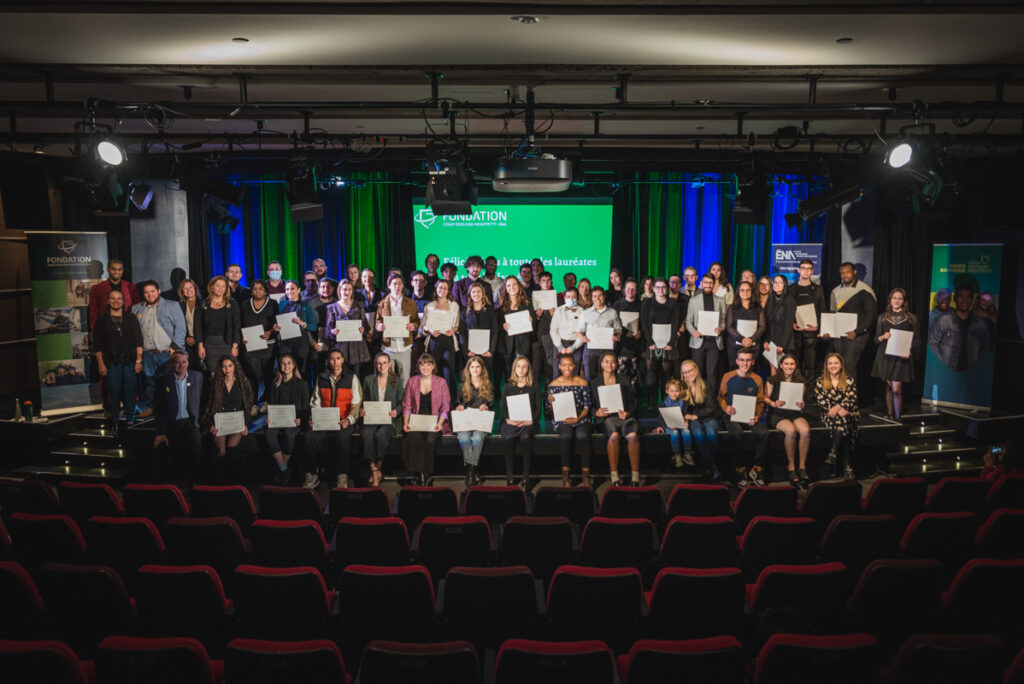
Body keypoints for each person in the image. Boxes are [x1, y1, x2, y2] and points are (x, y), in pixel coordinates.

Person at [304, 349, 361, 489]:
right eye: (332, 359)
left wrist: (349, 419)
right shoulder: (321, 377)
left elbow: (357, 403)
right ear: (328, 361)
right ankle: (311, 474)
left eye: (338, 358)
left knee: (342, 439)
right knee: (310, 438)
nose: (335, 362)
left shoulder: (352, 377)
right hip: (324, 418)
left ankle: (342, 475)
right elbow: (315, 401)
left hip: (343, 419)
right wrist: (314, 418)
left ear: (343, 360)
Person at [132, 280, 188, 418]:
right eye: (146, 292)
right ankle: (151, 408)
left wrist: (175, 347)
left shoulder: (172, 305)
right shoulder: (136, 309)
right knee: (149, 383)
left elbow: (180, 327)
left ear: (159, 291)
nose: (150, 295)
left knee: (169, 382)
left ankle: (171, 409)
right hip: (147, 353)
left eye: (152, 291)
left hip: (166, 353)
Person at [92, 289, 142, 431]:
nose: (116, 301)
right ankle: (114, 421)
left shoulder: (131, 318)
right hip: (111, 363)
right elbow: (98, 345)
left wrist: (139, 361)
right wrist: (101, 363)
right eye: (113, 298)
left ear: (123, 301)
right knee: (113, 392)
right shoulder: (101, 320)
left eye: (119, 298)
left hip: (130, 362)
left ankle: (130, 420)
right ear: (108, 301)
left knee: (130, 391)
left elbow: (139, 340)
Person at [718, 349, 769, 487]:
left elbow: (760, 402)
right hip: (731, 416)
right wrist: (725, 407)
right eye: (742, 360)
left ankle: (757, 469)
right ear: (737, 361)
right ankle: (740, 469)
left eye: (747, 360)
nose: (744, 363)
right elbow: (721, 398)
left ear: (752, 362)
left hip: (750, 417)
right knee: (737, 433)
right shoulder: (728, 376)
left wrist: (757, 416)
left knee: (764, 433)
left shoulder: (757, 379)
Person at [152, 351, 203, 482]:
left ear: (188, 363)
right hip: (172, 423)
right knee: (162, 449)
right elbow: (159, 409)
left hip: (191, 422)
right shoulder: (163, 381)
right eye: (177, 362)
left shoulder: (197, 377)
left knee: (196, 445)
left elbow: (205, 401)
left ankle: (194, 485)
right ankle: (168, 489)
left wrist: (207, 423)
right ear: (171, 364)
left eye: (184, 362)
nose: (181, 365)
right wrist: (160, 432)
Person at [201, 355, 254, 484]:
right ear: (220, 368)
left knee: (232, 446)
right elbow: (211, 406)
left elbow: (247, 407)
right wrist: (212, 424)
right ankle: (220, 481)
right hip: (221, 421)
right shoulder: (216, 383)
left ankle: (235, 481)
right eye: (224, 366)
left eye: (230, 366)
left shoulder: (243, 383)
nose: (227, 369)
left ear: (235, 366)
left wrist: (246, 424)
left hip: (237, 421)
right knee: (220, 449)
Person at [591, 352, 641, 486]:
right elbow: (590, 406)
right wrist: (596, 412)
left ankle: (635, 477)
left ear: (617, 364)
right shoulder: (594, 382)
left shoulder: (624, 379)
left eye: (613, 361)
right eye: (606, 361)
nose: (610, 364)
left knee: (633, 436)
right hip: (607, 419)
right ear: (601, 364)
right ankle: (614, 476)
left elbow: (633, 402)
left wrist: (628, 412)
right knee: (614, 436)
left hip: (624, 417)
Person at [402, 353, 451, 485]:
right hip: (416, 421)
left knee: (430, 439)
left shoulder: (441, 382)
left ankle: (425, 474)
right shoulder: (412, 381)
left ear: (433, 366)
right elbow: (407, 405)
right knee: (413, 437)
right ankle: (417, 472)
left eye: (428, 365)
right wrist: (406, 423)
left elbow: (445, 407)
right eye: (422, 365)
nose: (425, 368)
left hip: (435, 421)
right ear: (418, 367)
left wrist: (440, 423)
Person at [871, 288, 920, 422]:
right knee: (888, 387)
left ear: (903, 301)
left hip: (900, 356)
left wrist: (908, 350)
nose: (897, 301)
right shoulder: (882, 317)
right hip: (885, 355)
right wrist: (882, 336)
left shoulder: (911, 318)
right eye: (894, 298)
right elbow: (875, 339)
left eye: (900, 298)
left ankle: (898, 418)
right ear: (890, 300)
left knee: (896, 388)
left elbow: (916, 339)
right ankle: (890, 414)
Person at [547, 354, 593, 488]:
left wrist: (578, 418)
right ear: (559, 367)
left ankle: (586, 475)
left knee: (583, 436)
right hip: (562, 418)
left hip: (580, 417)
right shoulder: (553, 385)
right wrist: (551, 404)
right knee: (566, 437)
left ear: (574, 366)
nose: (567, 368)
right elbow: (549, 411)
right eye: (564, 365)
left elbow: (587, 406)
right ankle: (566, 475)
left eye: (570, 364)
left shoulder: (582, 383)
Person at [825, 262, 877, 380]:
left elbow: (871, 314)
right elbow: (833, 314)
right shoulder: (835, 291)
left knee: (849, 365)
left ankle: (850, 396)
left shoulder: (865, 290)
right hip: (839, 335)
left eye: (847, 272)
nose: (845, 275)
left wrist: (857, 331)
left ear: (855, 272)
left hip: (856, 335)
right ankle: (840, 394)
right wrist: (829, 331)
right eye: (842, 273)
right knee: (839, 364)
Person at [765, 354, 811, 487]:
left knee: (805, 431)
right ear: (781, 365)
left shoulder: (801, 381)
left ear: (795, 366)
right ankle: (791, 468)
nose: (789, 367)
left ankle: (802, 467)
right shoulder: (772, 380)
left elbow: (802, 401)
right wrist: (774, 403)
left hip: (794, 413)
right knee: (791, 431)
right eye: (786, 364)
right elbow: (766, 398)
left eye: (792, 364)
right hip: (777, 414)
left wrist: (802, 405)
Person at [264, 353, 309, 484]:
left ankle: (283, 469)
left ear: (294, 365)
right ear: (279, 366)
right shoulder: (275, 384)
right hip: (279, 420)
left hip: (294, 420)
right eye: (283, 363)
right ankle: (284, 467)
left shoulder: (302, 384)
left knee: (290, 434)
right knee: (269, 433)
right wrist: (270, 418)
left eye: (289, 363)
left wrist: (301, 419)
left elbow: (306, 406)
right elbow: (272, 405)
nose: (286, 366)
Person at [928, 281, 993, 371]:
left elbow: (986, 348)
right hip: (946, 373)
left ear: (972, 299)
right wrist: (942, 364)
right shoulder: (944, 321)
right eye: (961, 296)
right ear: (955, 299)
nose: (964, 301)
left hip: (971, 375)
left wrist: (978, 366)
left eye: (968, 297)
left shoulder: (980, 323)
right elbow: (932, 343)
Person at [360, 352, 403, 488]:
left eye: (384, 362)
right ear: (375, 365)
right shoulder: (368, 380)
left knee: (380, 435)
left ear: (389, 364)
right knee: (366, 435)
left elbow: (402, 403)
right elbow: (364, 400)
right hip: (372, 419)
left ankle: (377, 468)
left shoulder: (398, 381)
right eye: (379, 363)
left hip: (390, 420)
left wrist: (396, 411)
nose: (382, 365)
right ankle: (375, 471)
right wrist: (362, 410)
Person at [815, 352, 860, 480]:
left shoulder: (848, 380)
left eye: (836, 363)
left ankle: (833, 452)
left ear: (841, 365)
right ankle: (847, 464)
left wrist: (839, 407)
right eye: (830, 363)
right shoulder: (820, 381)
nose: (833, 366)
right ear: (826, 366)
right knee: (842, 422)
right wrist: (835, 408)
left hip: (848, 411)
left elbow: (851, 399)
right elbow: (821, 400)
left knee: (843, 418)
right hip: (829, 413)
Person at [500, 355, 542, 489]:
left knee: (525, 438)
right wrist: (508, 420)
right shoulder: (507, 386)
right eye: (518, 366)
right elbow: (503, 407)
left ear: (528, 369)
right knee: (507, 439)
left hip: (528, 423)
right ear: (514, 368)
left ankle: (525, 475)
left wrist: (531, 421)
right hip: (511, 422)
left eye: (524, 366)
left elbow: (538, 408)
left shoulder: (534, 386)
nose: (521, 369)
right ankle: (510, 475)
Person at [643, 277, 683, 409]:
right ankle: (651, 401)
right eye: (657, 287)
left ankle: (665, 401)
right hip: (651, 344)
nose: (660, 290)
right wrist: (650, 342)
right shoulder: (647, 303)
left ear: (667, 289)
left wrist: (671, 342)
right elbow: (644, 324)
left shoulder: (673, 303)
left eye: (663, 287)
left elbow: (676, 323)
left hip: (668, 344)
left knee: (666, 372)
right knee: (651, 373)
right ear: (653, 288)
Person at [454, 356, 494, 487]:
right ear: (468, 369)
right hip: (466, 419)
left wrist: (486, 406)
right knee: (464, 437)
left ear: (482, 368)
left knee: (477, 438)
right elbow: (457, 402)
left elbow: (492, 403)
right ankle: (473, 472)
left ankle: (470, 472)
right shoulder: (462, 385)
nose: (475, 369)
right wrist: (459, 407)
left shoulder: (488, 385)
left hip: (480, 420)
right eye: (472, 367)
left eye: (478, 366)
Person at [376, 273, 420, 388]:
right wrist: (379, 326)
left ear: (403, 286)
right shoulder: (382, 303)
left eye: (399, 284)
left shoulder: (410, 303)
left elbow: (416, 321)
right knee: (387, 379)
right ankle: (390, 405)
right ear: (389, 285)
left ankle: (403, 405)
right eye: (394, 284)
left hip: (404, 346)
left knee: (404, 379)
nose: (397, 286)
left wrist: (413, 326)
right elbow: (377, 321)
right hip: (388, 347)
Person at [679, 359, 721, 479]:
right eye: (685, 372)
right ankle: (712, 466)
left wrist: (695, 416)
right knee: (698, 434)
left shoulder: (705, 385)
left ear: (696, 370)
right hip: (694, 420)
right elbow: (680, 408)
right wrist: (685, 418)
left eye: (690, 370)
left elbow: (711, 408)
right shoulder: (682, 388)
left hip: (708, 416)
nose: (688, 374)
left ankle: (708, 466)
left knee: (712, 433)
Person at [686, 274, 726, 398]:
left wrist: (721, 328)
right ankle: (697, 398)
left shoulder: (721, 300)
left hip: (714, 342)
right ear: (701, 283)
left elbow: (723, 320)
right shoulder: (693, 300)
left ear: (714, 284)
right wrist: (693, 331)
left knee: (712, 373)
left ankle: (710, 399)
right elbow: (688, 321)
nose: (708, 285)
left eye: (710, 283)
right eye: (706, 282)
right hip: (698, 341)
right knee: (698, 372)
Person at [238, 280, 279, 404]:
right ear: (251, 290)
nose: (258, 291)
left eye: (261, 288)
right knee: (252, 377)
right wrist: (241, 337)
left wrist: (270, 331)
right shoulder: (244, 304)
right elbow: (239, 323)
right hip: (250, 345)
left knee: (268, 376)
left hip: (268, 346)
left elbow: (277, 323)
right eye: (255, 288)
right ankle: (253, 403)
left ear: (265, 290)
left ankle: (267, 401)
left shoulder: (273, 303)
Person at [324, 279, 371, 378]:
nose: (347, 292)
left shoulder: (359, 305)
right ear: (339, 290)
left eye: (350, 289)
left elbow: (365, 324)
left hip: (356, 347)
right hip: (340, 347)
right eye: (344, 289)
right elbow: (328, 330)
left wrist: (363, 329)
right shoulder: (332, 307)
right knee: (340, 375)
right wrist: (333, 331)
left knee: (356, 376)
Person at [195, 275, 241, 376]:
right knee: (213, 375)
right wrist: (200, 345)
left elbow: (237, 327)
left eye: (223, 286)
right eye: (217, 286)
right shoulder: (203, 304)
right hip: (209, 345)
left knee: (228, 374)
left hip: (227, 344)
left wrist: (235, 346)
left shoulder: (232, 304)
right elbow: (197, 326)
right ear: (211, 287)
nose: (220, 289)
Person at [790, 258, 826, 380]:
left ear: (812, 271)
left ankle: (809, 395)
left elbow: (822, 310)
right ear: (798, 270)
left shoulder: (818, 289)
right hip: (794, 333)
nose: (806, 271)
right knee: (793, 364)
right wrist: (791, 324)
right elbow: (786, 311)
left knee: (810, 366)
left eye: (809, 269)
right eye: (803, 268)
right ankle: (793, 393)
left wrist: (819, 327)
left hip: (811, 333)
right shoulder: (791, 289)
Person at [422, 278, 460, 392]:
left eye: (445, 288)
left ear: (448, 290)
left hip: (448, 340)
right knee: (434, 372)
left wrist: (453, 330)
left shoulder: (454, 305)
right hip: (433, 340)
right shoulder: (429, 306)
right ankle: (435, 401)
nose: (442, 290)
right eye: (440, 287)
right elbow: (423, 326)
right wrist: (430, 330)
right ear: (436, 289)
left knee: (449, 373)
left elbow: (457, 324)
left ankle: (451, 403)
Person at [578, 286, 621, 381]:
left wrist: (616, 337)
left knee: (607, 377)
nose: (597, 299)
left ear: (604, 296)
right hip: (590, 349)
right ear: (591, 297)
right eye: (595, 296)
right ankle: (592, 396)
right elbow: (579, 330)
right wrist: (582, 337)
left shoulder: (613, 313)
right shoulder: (585, 313)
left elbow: (618, 331)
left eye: (600, 296)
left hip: (607, 349)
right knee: (590, 377)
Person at [458, 281, 499, 381]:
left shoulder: (490, 310)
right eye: (473, 292)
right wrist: (466, 351)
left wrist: (491, 350)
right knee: (471, 380)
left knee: (486, 379)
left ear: (483, 293)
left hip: (486, 352)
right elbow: (462, 333)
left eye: (479, 291)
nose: (476, 294)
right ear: (469, 294)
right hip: (471, 352)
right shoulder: (464, 311)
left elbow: (495, 331)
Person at [498, 275, 535, 383]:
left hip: (522, 343)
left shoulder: (527, 303)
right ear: (505, 288)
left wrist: (531, 321)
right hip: (506, 345)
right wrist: (502, 326)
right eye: (509, 285)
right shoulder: (501, 304)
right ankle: (510, 396)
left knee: (523, 372)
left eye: (514, 284)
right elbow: (496, 323)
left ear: (519, 286)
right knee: (508, 373)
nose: (512, 287)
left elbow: (533, 325)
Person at [277, 279, 318, 377]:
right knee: (284, 371)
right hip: (285, 343)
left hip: (301, 343)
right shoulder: (281, 305)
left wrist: (302, 323)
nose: (289, 292)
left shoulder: (306, 305)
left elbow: (314, 326)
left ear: (299, 290)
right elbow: (277, 321)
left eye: (292, 289)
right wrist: (276, 326)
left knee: (302, 371)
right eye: (287, 289)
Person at [613, 278, 644, 400]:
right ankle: (621, 398)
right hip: (622, 345)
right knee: (621, 373)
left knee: (634, 373)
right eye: (628, 288)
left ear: (636, 291)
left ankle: (633, 399)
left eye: (633, 289)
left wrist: (640, 332)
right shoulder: (617, 305)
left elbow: (645, 322)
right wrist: (625, 332)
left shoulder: (641, 305)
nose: (630, 291)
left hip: (636, 344)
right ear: (624, 290)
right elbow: (614, 324)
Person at [88, 258, 139, 331]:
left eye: (119, 269)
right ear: (108, 269)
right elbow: (93, 314)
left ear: (123, 270)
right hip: (105, 329)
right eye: (113, 269)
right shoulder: (97, 288)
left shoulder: (132, 287)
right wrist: (95, 331)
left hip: (127, 328)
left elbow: (136, 310)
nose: (116, 272)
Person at [653, 379, 693, 469]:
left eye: (677, 391)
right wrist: (667, 426)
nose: (674, 394)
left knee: (686, 431)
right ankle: (677, 455)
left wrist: (687, 422)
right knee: (675, 433)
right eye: (671, 391)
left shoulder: (684, 403)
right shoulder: (663, 404)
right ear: (667, 391)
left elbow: (687, 415)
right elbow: (661, 419)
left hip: (680, 424)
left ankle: (687, 454)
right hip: (670, 426)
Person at [725, 280, 765, 368]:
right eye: (742, 290)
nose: (745, 292)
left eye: (748, 290)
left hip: (753, 347)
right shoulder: (732, 308)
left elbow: (762, 327)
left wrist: (751, 339)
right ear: (738, 292)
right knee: (734, 372)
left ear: (752, 292)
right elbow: (729, 327)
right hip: (735, 346)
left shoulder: (758, 308)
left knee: (751, 372)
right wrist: (742, 339)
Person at [763, 274, 795, 372]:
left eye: (780, 282)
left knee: (784, 372)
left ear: (785, 284)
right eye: (775, 282)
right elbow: (767, 324)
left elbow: (788, 325)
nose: (777, 284)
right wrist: (766, 341)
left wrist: (782, 344)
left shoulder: (789, 300)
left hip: (784, 342)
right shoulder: (771, 299)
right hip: (772, 341)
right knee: (773, 370)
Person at [550, 286, 584, 374]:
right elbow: (553, 330)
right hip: (560, 344)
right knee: (557, 373)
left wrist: (573, 347)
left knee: (574, 373)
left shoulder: (582, 312)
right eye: (568, 297)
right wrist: (560, 346)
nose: (571, 299)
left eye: (574, 297)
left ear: (577, 298)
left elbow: (582, 333)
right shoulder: (558, 310)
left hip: (576, 345)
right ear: (564, 298)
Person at [532, 271, 558, 383]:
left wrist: (554, 316)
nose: (546, 283)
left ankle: (549, 391)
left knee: (549, 365)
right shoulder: (534, 298)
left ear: (551, 282)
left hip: (551, 336)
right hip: (536, 337)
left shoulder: (557, 299)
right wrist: (536, 316)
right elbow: (528, 319)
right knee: (536, 367)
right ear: (539, 282)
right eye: (543, 280)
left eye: (548, 281)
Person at [309, 277, 338, 374]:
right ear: (318, 288)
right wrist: (313, 342)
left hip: (334, 343)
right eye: (323, 287)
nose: (326, 289)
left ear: (333, 289)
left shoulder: (337, 303)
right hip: (316, 343)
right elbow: (306, 327)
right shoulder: (311, 304)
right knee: (319, 371)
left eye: (328, 287)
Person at [178, 278, 203, 371]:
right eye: (185, 288)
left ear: (195, 288)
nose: (188, 290)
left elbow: (207, 325)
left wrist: (197, 340)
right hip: (186, 343)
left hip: (202, 343)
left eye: (191, 287)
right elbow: (178, 325)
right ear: (182, 291)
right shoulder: (179, 305)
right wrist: (187, 338)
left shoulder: (203, 303)